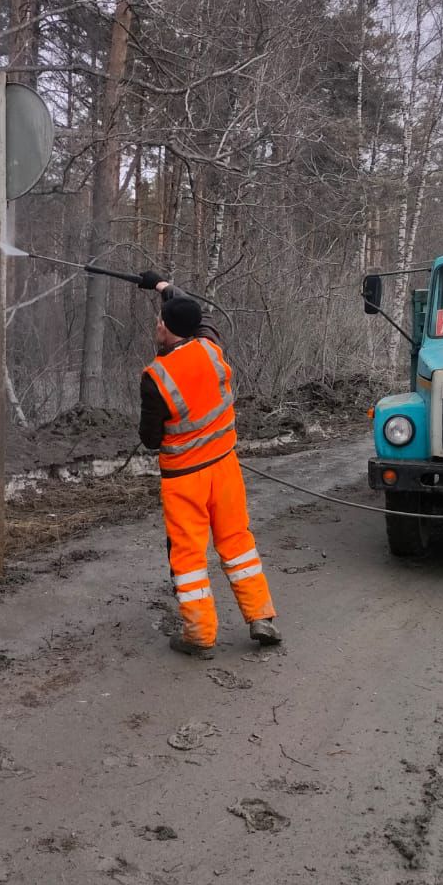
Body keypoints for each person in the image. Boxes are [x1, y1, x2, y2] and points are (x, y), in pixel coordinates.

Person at [137, 277, 281, 660]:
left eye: (159, 322)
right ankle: (261, 617)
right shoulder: (212, 349)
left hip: (185, 480)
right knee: (237, 542)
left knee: (187, 557)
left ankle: (199, 634)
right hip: (225, 468)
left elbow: (150, 439)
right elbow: (200, 320)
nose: (157, 327)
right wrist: (166, 287)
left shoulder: (156, 378)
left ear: (167, 329)